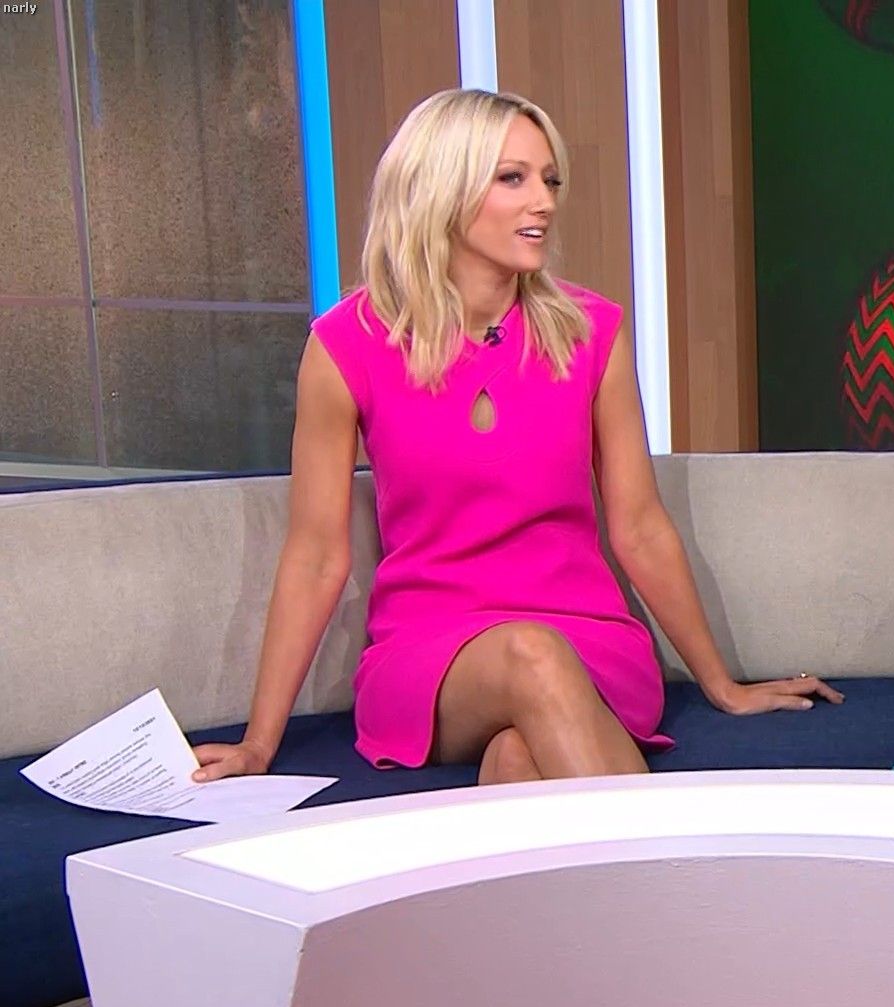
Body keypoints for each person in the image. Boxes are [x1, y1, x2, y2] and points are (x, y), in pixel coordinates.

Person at [193, 88, 841, 786]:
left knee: (518, 757)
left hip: (589, 639)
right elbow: (317, 555)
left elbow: (640, 527)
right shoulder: (347, 345)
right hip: (428, 654)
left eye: (549, 180)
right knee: (532, 655)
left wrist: (722, 684)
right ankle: (662, 854)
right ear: (442, 188)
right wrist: (259, 742)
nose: (544, 202)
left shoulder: (590, 333)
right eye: (513, 178)